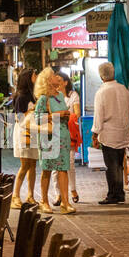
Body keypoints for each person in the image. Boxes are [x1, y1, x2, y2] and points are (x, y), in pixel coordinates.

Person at [91, 62, 129, 205]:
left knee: (111, 166)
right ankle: (120, 193)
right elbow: (128, 111)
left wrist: (95, 134)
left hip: (108, 134)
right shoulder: (124, 90)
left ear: (101, 76)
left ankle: (113, 194)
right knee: (119, 165)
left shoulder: (101, 92)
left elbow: (98, 116)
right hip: (122, 132)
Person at [35, 67, 75, 214]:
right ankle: (44, 201)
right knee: (47, 169)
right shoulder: (43, 98)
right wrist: (58, 114)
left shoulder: (59, 95)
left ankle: (65, 202)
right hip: (49, 137)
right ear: (47, 80)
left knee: (63, 169)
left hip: (63, 135)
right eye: (53, 75)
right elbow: (38, 118)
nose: (56, 77)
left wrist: (65, 115)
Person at [10, 68, 38, 208]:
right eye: (34, 75)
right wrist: (32, 110)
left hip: (33, 132)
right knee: (25, 165)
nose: (36, 76)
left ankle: (30, 195)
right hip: (23, 132)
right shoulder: (21, 96)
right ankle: (15, 195)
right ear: (28, 78)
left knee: (33, 164)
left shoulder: (34, 95)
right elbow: (18, 117)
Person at [52, 73, 81, 205]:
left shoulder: (72, 95)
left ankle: (73, 189)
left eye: (59, 80)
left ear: (65, 82)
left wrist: (65, 115)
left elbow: (77, 113)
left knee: (70, 163)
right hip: (54, 133)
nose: (56, 83)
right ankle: (58, 194)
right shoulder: (52, 96)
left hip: (69, 133)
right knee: (54, 166)